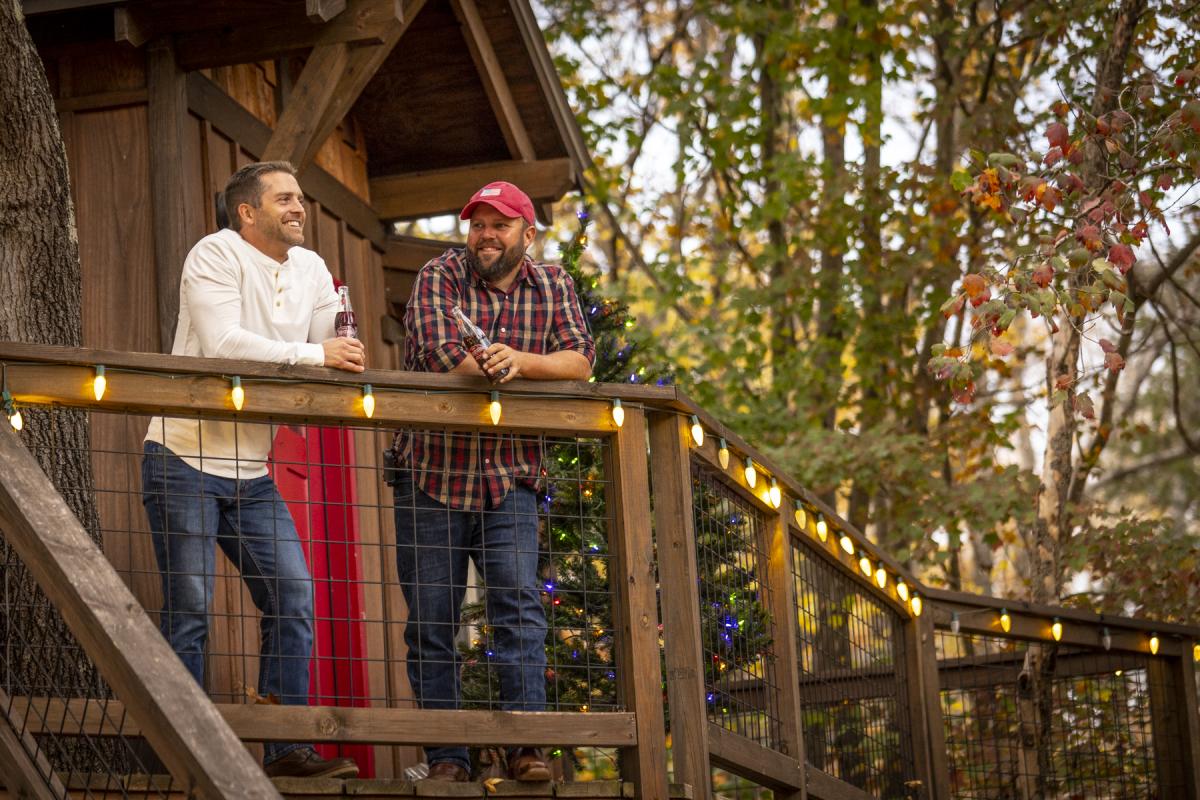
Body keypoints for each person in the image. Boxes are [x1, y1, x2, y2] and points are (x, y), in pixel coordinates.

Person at [141, 161, 364, 780]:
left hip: (251, 471)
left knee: (293, 595)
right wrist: (317, 353)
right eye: (285, 198)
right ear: (248, 212)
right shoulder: (213, 255)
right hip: (182, 455)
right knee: (190, 608)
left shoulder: (314, 269)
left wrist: (339, 350)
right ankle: (181, 750)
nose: (299, 207)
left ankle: (286, 746)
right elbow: (223, 345)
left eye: (301, 198)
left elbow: (329, 354)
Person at [392, 181, 595, 783]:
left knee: (519, 610)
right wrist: (487, 372)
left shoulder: (553, 284)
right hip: (431, 472)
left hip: (512, 474)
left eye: (499, 224)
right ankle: (447, 759)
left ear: (527, 235)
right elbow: (436, 353)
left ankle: (525, 749)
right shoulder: (440, 275)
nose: (485, 234)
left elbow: (580, 361)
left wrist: (518, 361)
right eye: (477, 223)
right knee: (431, 622)